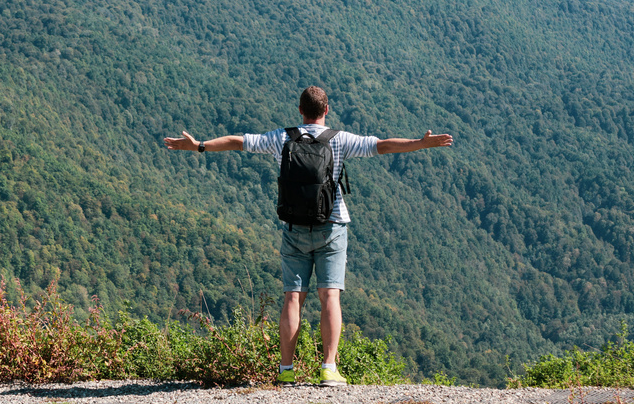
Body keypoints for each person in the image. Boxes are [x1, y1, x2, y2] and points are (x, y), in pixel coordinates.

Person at [164, 86, 453, 386]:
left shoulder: (281, 138)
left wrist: (199, 146)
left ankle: (285, 371)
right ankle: (328, 367)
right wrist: (421, 143)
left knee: (293, 298)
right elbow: (383, 146)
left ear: (300, 110)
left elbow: (238, 141)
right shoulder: (339, 140)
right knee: (329, 296)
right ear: (326, 110)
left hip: (294, 229)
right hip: (332, 226)